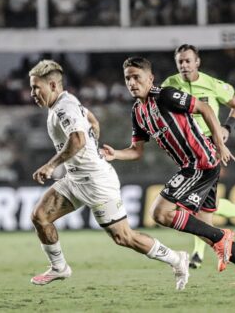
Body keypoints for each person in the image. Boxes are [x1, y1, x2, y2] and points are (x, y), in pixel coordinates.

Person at [101, 57, 235, 284]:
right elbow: (136, 151)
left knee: (159, 213)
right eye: (127, 78)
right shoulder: (138, 112)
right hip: (194, 165)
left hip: (200, 163)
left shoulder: (166, 95)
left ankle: (223, 237)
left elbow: (206, 108)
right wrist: (116, 155)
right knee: (206, 230)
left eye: (136, 77)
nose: (131, 82)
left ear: (150, 79)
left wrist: (220, 144)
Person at [28, 59, 190, 290]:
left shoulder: (65, 107)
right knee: (40, 216)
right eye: (32, 87)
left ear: (53, 85)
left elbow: (78, 139)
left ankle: (176, 259)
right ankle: (59, 267)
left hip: (97, 182)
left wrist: (50, 166)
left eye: (37, 87)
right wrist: (93, 143)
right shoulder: (67, 102)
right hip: (75, 179)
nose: (33, 93)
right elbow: (91, 121)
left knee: (124, 238)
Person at [162, 44, 235, 269]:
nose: (184, 65)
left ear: (197, 62)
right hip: (186, 150)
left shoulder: (211, 84)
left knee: (192, 205)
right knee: (206, 206)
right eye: (180, 61)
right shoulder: (169, 85)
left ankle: (199, 254)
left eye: (188, 60)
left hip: (209, 148)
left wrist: (228, 128)